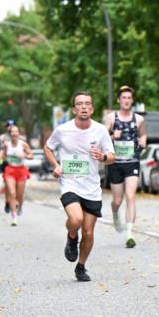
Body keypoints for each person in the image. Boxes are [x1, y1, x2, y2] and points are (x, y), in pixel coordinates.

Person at [44, 90, 115, 282]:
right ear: (74, 109)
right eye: (80, 104)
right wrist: (56, 165)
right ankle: (71, 237)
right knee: (75, 219)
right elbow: (48, 147)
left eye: (87, 103)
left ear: (91, 109)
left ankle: (81, 267)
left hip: (91, 187)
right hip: (70, 183)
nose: (84, 106)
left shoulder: (100, 130)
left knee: (89, 232)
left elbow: (112, 156)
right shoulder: (62, 130)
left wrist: (103, 157)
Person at [103, 85, 147, 248]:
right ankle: (115, 212)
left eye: (129, 98)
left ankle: (129, 233)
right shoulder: (111, 118)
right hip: (115, 163)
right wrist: (113, 136)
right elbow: (102, 137)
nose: (126, 101)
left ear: (132, 100)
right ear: (119, 100)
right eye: (124, 98)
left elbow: (143, 134)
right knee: (117, 200)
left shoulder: (139, 119)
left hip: (132, 162)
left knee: (130, 196)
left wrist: (143, 140)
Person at [0, 124, 32, 226]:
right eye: (12, 132)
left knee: (19, 195)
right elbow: (2, 156)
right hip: (10, 170)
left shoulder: (23, 145)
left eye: (16, 131)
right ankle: (14, 217)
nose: (14, 133)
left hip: (21, 170)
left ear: (19, 133)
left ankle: (20, 206)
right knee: (12, 193)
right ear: (10, 133)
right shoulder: (6, 145)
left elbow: (31, 155)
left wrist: (25, 155)